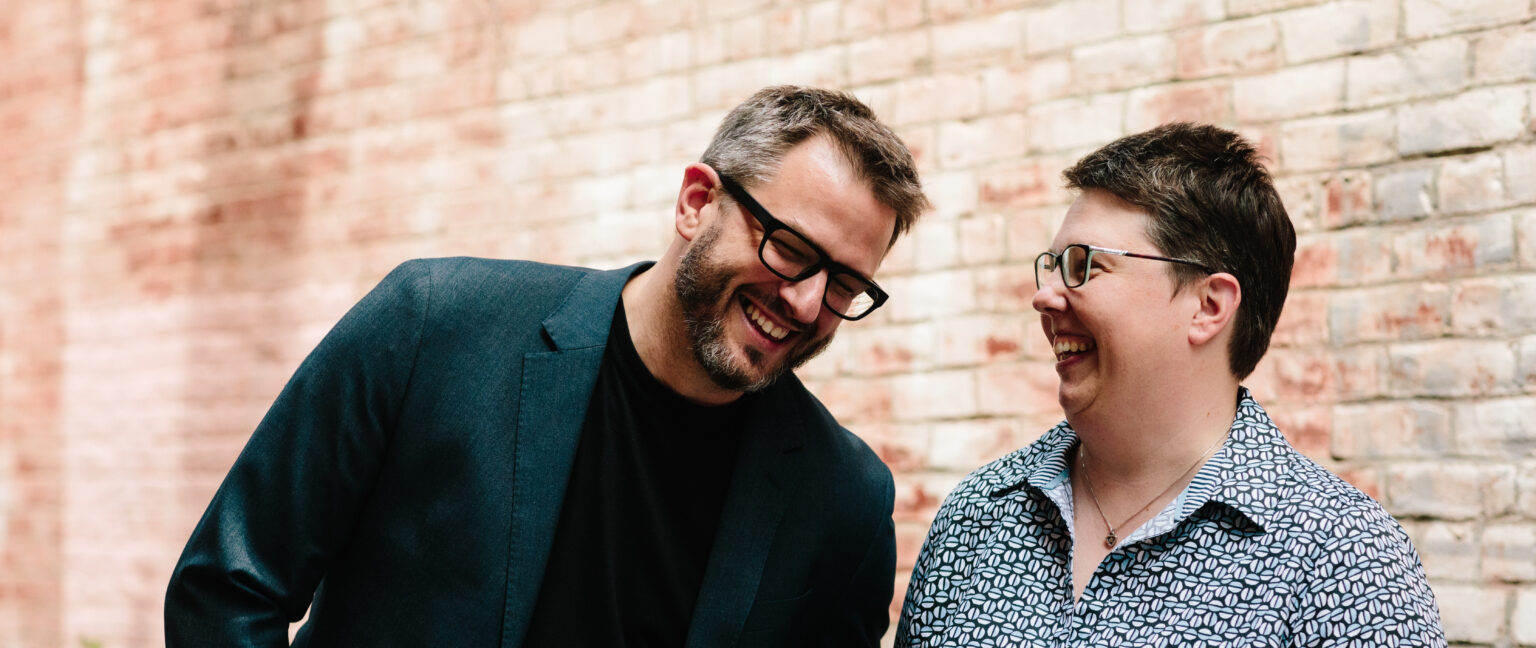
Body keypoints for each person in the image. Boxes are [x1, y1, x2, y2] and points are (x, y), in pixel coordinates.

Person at [165, 85, 930, 647]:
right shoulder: (436, 322)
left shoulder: (845, 501)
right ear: (697, 202)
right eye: (790, 250)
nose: (805, 303)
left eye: (844, 285)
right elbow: (229, 588)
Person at [895, 123, 1444, 646]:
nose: (1045, 295)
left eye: (1085, 266)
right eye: (1054, 264)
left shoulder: (1348, 563)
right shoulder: (975, 519)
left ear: (1208, 306)